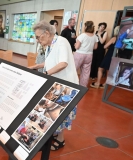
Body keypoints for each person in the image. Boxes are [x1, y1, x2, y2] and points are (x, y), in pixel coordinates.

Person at [32, 20, 79, 151]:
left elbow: (63, 63)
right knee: (50, 111)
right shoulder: (51, 44)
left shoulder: (61, 42)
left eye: (38, 37)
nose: (37, 40)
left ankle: (61, 140)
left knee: (58, 113)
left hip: (66, 86)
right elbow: (49, 62)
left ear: (47, 33)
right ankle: (52, 134)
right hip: (57, 85)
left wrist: (45, 74)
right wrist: (35, 66)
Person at [73, 21, 98, 87]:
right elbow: (95, 47)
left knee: (73, 69)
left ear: (86, 27)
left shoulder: (82, 35)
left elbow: (77, 47)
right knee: (86, 72)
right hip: (89, 55)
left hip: (80, 54)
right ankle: (83, 86)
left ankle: (71, 84)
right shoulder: (95, 36)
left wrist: (75, 44)